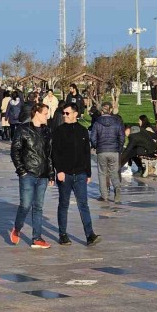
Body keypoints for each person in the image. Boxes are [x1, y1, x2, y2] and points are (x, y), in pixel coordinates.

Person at [52, 103, 101, 247]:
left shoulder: (82, 131)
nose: (64, 116)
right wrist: (59, 170)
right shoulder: (59, 131)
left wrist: (88, 172)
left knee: (83, 204)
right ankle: (63, 234)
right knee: (64, 204)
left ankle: (90, 235)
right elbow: (55, 152)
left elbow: (86, 153)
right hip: (65, 174)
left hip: (80, 174)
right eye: (63, 113)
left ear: (75, 114)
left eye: (67, 113)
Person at [9, 103, 53, 249]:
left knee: (38, 206)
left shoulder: (47, 131)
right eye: (45, 113)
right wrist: (21, 170)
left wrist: (51, 174)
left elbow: (49, 154)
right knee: (25, 205)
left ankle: (37, 238)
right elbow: (15, 151)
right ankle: (17, 228)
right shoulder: (23, 129)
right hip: (28, 173)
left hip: (43, 174)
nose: (47, 116)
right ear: (37, 113)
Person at [90, 102, 125, 202]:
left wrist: (96, 146)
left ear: (101, 111)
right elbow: (122, 137)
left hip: (102, 150)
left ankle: (104, 195)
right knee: (114, 172)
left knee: (102, 173)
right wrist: (119, 147)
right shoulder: (117, 122)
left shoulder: (97, 123)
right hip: (114, 150)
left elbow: (93, 138)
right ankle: (117, 189)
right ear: (110, 110)